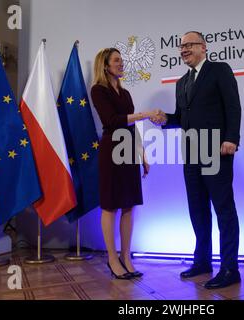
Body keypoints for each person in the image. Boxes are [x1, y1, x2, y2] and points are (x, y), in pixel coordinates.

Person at [155, 31, 242, 289]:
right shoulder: (181, 82)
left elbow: (233, 106)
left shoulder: (219, 70)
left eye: (188, 45)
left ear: (203, 47)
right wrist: (165, 119)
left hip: (216, 150)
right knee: (197, 209)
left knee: (224, 210)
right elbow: (183, 118)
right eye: (180, 46)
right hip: (191, 154)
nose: (183, 49)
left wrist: (231, 138)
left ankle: (230, 268)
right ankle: (202, 261)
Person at [91, 48, 162, 279]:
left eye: (121, 60)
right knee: (110, 205)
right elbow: (112, 121)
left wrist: (142, 154)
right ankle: (112, 259)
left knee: (129, 205)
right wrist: (144, 114)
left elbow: (131, 127)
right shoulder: (98, 90)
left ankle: (126, 257)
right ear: (105, 65)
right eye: (117, 60)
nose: (122, 64)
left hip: (130, 149)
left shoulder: (126, 93)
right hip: (112, 149)